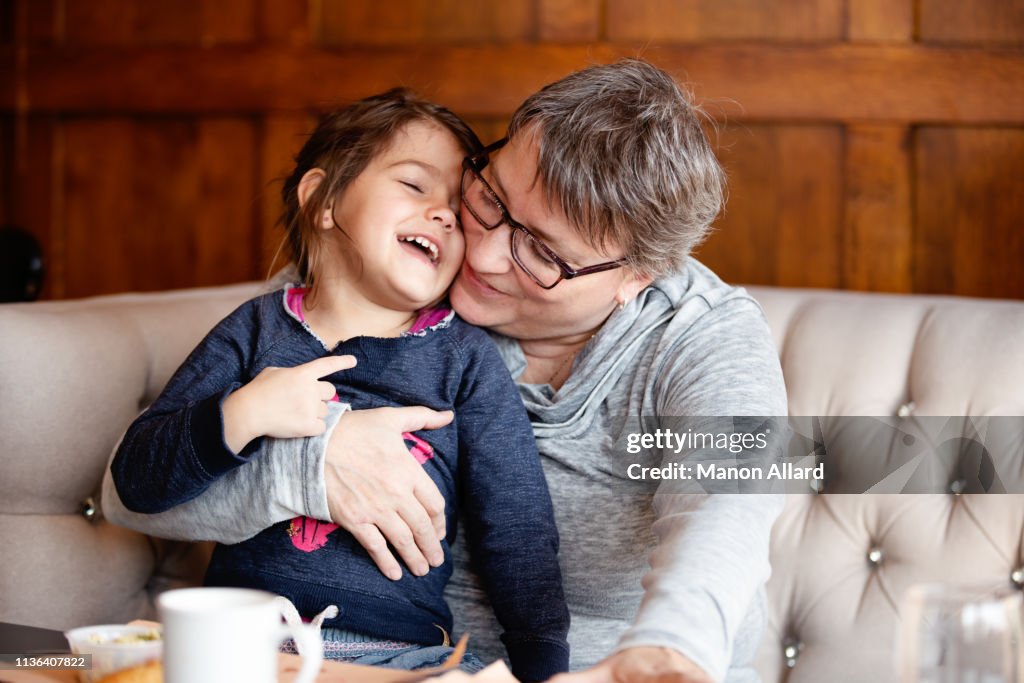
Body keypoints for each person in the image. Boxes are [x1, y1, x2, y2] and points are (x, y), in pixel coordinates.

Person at [104, 60, 787, 683]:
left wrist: (671, 646)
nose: (485, 256)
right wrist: (310, 464)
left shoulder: (699, 337)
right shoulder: (381, 283)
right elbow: (130, 494)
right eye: (489, 199)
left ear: (635, 277)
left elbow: (732, 497)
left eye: (540, 253)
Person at [107, 89, 570, 681]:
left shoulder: (464, 360)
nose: (446, 214)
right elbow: (137, 481)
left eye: (459, 205)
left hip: (399, 656)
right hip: (247, 646)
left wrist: (544, 670)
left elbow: (518, 528)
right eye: (414, 185)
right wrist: (244, 413)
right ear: (322, 200)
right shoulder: (255, 330)